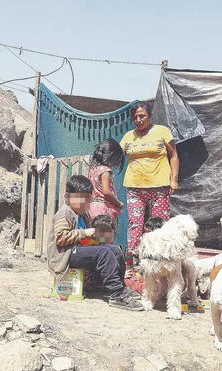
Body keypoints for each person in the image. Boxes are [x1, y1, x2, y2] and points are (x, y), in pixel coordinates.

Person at [46, 175, 142, 310]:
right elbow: (61, 238)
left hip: (77, 251)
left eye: (87, 199)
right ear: (68, 196)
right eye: (81, 199)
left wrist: (101, 240)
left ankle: (119, 287)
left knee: (114, 249)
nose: (85, 203)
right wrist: (85, 233)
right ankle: (116, 295)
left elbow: (84, 240)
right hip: (65, 255)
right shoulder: (65, 213)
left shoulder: (82, 215)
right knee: (103, 252)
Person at [120, 100, 179, 254]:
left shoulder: (162, 131)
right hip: (134, 187)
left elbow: (173, 156)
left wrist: (174, 179)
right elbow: (117, 156)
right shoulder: (128, 136)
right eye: (135, 117)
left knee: (159, 224)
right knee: (135, 224)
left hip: (159, 187)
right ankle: (134, 259)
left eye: (142, 116)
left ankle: (158, 256)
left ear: (150, 115)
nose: (138, 120)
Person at [88, 139, 125, 222]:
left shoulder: (93, 169)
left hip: (93, 207)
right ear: (112, 156)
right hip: (104, 208)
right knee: (105, 233)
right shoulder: (105, 171)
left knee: (96, 233)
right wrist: (118, 203)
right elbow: (106, 192)